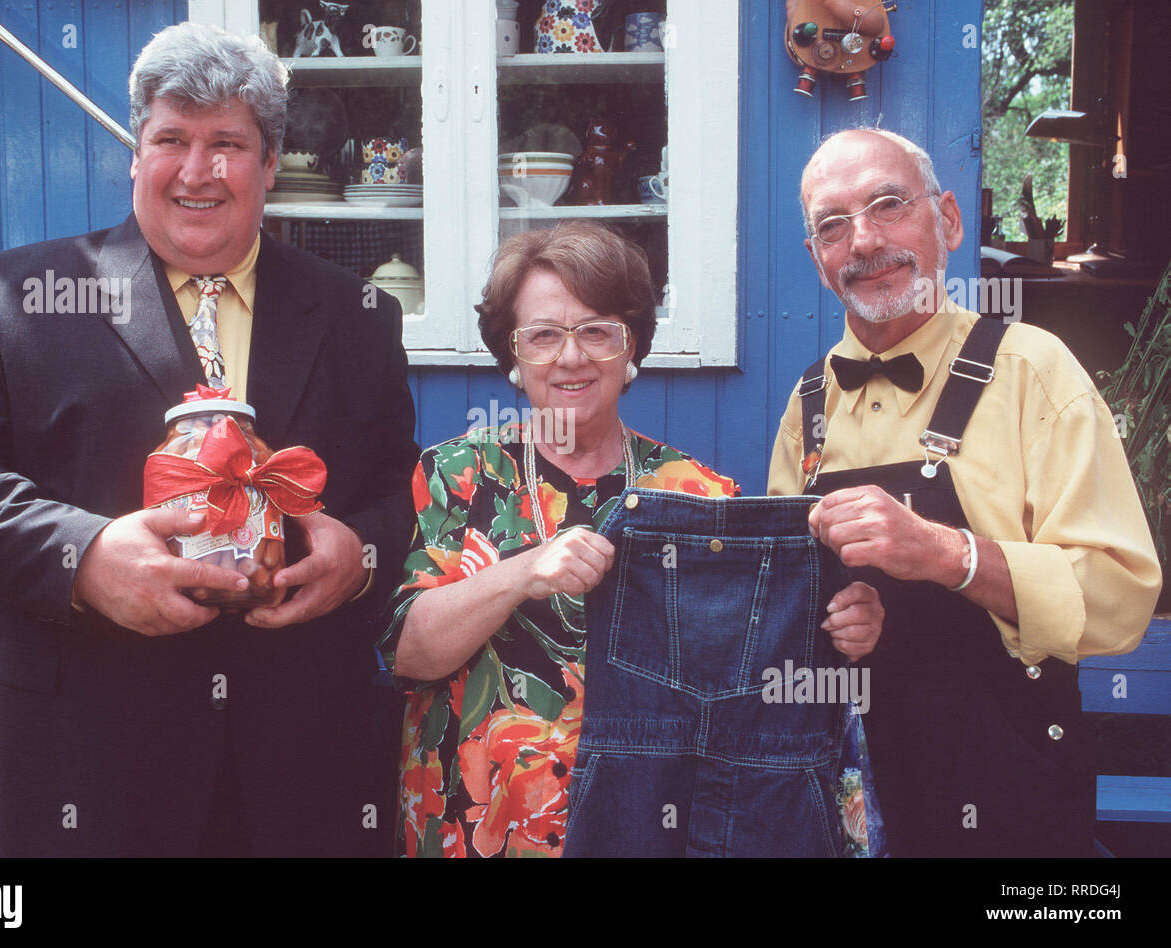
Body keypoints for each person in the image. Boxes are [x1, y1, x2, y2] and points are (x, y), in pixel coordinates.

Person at [0, 22, 418, 857]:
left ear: (270, 164)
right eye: (170, 138)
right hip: (85, 774)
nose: (197, 169)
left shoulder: (359, 317)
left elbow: (400, 492)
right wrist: (85, 555)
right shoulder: (18, 296)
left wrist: (356, 558)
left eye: (228, 143)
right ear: (135, 154)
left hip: (302, 775)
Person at [381, 220, 883, 857]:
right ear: (512, 356)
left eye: (596, 330)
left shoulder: (698, 495)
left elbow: (752, 679)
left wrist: (840, 627)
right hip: (477, 825)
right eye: (542, 335)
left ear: (632, 347)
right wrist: (522, 572)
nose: (571, 356)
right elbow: (410, 655)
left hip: (651, 824)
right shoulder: (456, 475)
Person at [768, 128, 1162, 856]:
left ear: (947, 220)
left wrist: (949, 554)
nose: (862, 241)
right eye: (832, 225)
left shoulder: (1033, 372)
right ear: (818, 260)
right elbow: (785, 610)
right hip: (856, 800)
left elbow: (1120, 597)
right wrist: (835, 619)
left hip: (1012, 794)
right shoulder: (808, 404)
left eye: (888, 205)